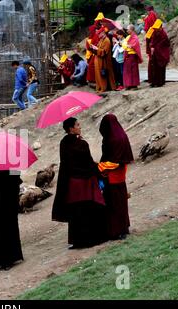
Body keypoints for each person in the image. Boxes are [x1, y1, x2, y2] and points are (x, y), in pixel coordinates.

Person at [52, 117, 108, 249]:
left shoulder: (63, 143)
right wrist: (99, 172)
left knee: (76, 212)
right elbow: (88, 162)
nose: (80, 126)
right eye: (77, 125)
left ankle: (78, 241)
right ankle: (93, 239)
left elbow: (66, 163)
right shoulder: (82, 144)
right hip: (85, 182)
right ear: (71, 128)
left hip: (71, 183)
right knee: (89, 209)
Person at [98, 114, 133, 240]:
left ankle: (117, 230)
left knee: (114, 203)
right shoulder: (121, 135)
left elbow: (114, 161)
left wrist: (100, 168)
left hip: (111, 174)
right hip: (120, 174)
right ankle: (124, 227)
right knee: (122, 201)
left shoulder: (112, 140)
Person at [90, 27, 116, 93]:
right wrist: (93, 48)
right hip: (99, 59)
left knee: (103, 74)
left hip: (104, 60)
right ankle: (100, 87)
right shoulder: (101, 40)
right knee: (99, 75)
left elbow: (104, 51)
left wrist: (96, 49)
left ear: (103, 33)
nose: (98, 35)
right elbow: (99, 48)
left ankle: (104, 88)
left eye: (99, 34)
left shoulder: (107, 40)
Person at [147, 19, 170, 87]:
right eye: (155, 28)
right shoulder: (154, 32)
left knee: (161, 68)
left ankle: (160, 82)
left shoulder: (164, 34)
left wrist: (155, 48)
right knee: (154, 68)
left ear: (160, 27)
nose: (156, 29)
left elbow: (165, 45)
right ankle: (154, 82)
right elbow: (153, 42)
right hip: (155, 53)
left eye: (157, 28)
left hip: (162, 54)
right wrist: (151, 46)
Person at [122, 25, 143, 90]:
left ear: (132, 30)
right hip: (128, 55)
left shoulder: (135, 37)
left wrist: (127, 46)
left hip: (132, 56)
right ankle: (128, 85)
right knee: (127, 71)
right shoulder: (128, 37)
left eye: (128, 29)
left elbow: (133, 46)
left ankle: (134, 85)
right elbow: (124, 45)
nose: (127, 30)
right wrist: (127, 46)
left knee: (133, 71)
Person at [85, 14, 104, 85]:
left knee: (92, 66)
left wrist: (91, 46)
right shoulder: (94, 34)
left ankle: (94, 80)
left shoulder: (100, 32)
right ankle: (93, 80)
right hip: (94, 52)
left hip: (96, 53)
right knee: (91, 66)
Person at [144, 6, 158, 83]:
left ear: (149, 10)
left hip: (151, 36)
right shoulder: (150, 15)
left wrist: (151, 41)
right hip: (150, 35)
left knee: (152, 58)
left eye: (147, 11)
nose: (146, 12)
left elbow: (152, 26)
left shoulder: (152, 14)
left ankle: (154, 78)